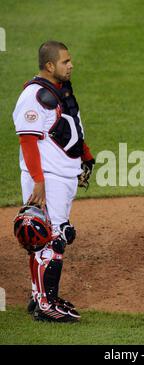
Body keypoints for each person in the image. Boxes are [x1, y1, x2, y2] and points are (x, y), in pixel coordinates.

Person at [13, 41, 95, 322]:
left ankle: (40, 297)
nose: (70, 65)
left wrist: (85, 156)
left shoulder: (61, 90)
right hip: (47, 178)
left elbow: (70, 124)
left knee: (49, 237)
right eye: (65, 61)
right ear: (50, 66)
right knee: (52, 239)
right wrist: (38, 181)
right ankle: (47, 304)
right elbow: (27, 140)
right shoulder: (34, 95)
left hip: (61, 175)